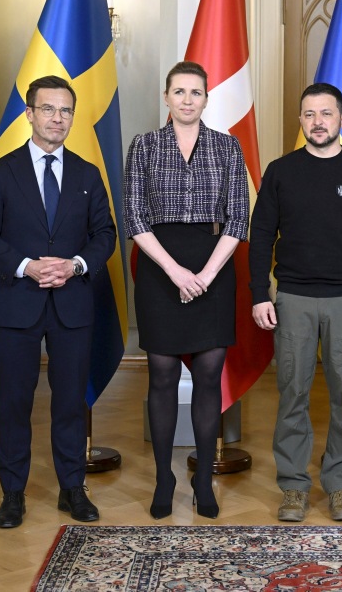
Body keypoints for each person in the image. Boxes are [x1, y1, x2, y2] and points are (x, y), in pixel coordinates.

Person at [0, 75, 117, 528]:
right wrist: (26, 266)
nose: (58, 118)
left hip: (72, 303)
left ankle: (72, 488)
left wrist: (73, 265)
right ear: (29, 114)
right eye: (48, 109)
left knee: (70, 402)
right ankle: (13, 493)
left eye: (66, 110)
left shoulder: (88, 174)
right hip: (17, 302)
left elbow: (105, 235)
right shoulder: (2, 171)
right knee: (14, 402)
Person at [248, 82, 342, 522]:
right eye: (309, 114)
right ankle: (293, 485)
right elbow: (259, 239)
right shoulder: (280, 171)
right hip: (292, 299)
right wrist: (260, 294)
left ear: (341, 120)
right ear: (300, 121)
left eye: (326, 114)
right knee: (292, 392)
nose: (318, 122)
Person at [124, 61, 249, 519]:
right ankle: (164, 476)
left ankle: (202, 479)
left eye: (196, 92)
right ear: (166, 97)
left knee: (209, 374)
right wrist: (176, 272)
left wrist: (207, 274)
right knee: (159, 372)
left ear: (206, 99)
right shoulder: (144, 146)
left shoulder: (227, 147)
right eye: (179, 91)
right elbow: (134, 217)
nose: (187, 99)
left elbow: (238, 218)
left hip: (214, 263)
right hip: (160, 264)